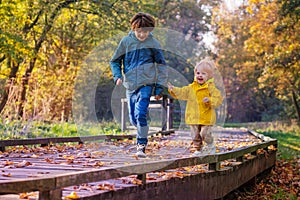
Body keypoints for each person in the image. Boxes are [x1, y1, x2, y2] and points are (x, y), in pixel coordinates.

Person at [109, 12, 167, 158]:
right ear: (134, 29)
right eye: (139, 31)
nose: (142, 35)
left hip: (146, 83)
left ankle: (141, 145)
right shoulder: (126, 42)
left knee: (140, 113)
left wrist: (159, 87)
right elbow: (115, 61)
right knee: (133, 118)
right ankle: (143, 125)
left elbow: (161, 66)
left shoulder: (153, 44)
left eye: (146, 32)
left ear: (150, 30)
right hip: (130, 85)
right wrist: (117, 76)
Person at [168, 59, 223, 156]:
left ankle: (210, 145)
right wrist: (173, 90)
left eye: (203, 73)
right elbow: (182, 92)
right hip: (193, 116)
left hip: (206, 116)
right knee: (195, 136)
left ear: (209, 76)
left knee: (204, 134)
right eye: (198, 73)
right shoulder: (191, 88)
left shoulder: (211, 88)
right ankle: (198, 149)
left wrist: (210, 100)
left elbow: (218, 99)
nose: (200, 75)